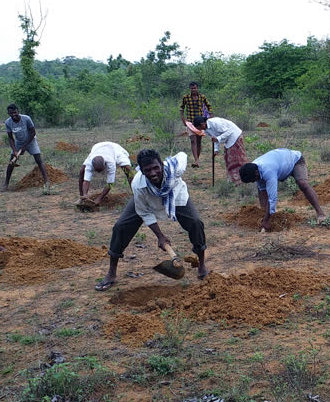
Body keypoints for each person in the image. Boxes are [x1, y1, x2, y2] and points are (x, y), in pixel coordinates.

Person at [95, 149, 208, 291]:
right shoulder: (138, 184)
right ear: (141, 170)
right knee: (120, 227)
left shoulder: (176, 168)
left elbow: (183, 155)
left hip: (176, 196)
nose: (153, 173)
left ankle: (202, 266)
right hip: (147, 200)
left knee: (196, 223)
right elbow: (144, 212)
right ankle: (111, 273)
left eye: (156, 168)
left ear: (162, 164)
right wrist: (160, 236)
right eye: (147, 170)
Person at [239, 148, 325, 231]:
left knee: (303, 184)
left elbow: (272, 198)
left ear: (256, 173)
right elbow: (263, 192)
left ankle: (320, 213)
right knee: (261, 190)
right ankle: (268, 217)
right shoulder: (253, 170)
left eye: (252, 180)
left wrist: (265, 220)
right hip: (281, 163)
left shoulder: (268, 170)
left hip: (295, 161)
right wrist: (266, 216)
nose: (253, 182)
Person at [3, 104, 49, 190]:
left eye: (15, 112)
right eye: (11, 113)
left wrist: (25, 145)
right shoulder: (8, 122)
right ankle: (6, 184)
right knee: (11, 162)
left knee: (38, 160)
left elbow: (33, 132)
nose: (13, 115)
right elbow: (10, 137)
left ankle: (47, 181)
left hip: (31, 141)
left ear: (18, 111)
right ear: (8, 113)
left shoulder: (26, 118)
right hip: (18, 142)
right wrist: (15, 151)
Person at [192, 115, 248, 184]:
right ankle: (234, 180)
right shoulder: (206, 130)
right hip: (228, 139)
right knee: (229, 159)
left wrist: (218, 138)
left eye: (199, 128)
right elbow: (215, 138)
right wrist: (216, 150)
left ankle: (242, 179)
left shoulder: (215, 123)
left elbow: (230, 131)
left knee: (237, 158)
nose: (199, 130)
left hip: (235, 136)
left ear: (202, 124)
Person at [180, 82, 213, 167]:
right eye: (192, 88)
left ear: (197, 88)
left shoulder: (202, 97)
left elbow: (209, 106)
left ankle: (197, 160)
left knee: (199, 141)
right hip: (190, 122)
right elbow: (181, 108)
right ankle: (196, 160)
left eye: (194, 88)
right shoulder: (186, 97)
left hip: (200, 122)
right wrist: (183, 119)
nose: (193, 90)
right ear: (189, 89)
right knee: (193, 140)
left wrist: (210, 116)